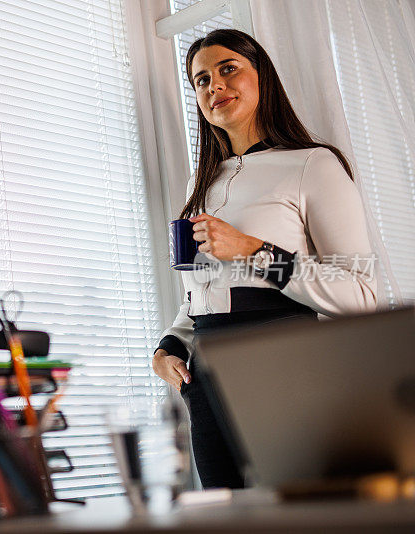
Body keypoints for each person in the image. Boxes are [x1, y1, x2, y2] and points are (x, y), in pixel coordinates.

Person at [151, 29, 378, 489]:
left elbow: (361, 295)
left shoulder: (313, 165)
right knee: (228, 518)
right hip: (209, 378)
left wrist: (256, 251)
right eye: (200, 80)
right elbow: (203, 294)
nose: (214, 86)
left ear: (263, 77)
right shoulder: (201, 187)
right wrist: (170, 345)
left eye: (227, 68)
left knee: (299, 516)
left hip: (287, 366)